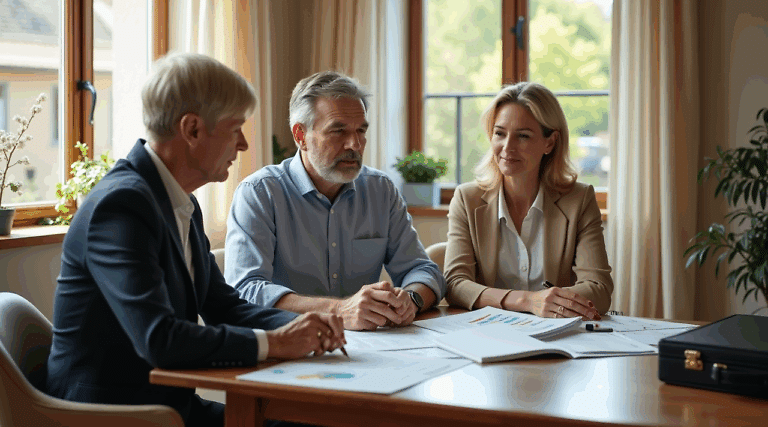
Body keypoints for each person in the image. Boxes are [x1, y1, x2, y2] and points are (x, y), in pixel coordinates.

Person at [46, 53, 345, 427]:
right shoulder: (120, 206)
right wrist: (280, 342)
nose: (243, 145)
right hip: (113, 416)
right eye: (235, 128)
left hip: (167, 408)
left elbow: (225, 307)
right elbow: (160, 339)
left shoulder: (180, 201)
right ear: (192, 130)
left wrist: (318, 324)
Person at [225, 71, 445, 330]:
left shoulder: (380, 190)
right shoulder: (260, 193)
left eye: (361, 130)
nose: (354, 144)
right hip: (285, 345)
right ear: (300, 136)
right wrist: (339, 310)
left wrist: (411, 299)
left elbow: (423, 270)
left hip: (368, 349)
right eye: (338, 131)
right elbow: (246, 290)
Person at [443, 82, 613, 318]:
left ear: (550, 142)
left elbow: (599, 289)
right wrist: (526, 300)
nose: (507, 147)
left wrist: (550, 304)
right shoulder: (466, 199)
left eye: (522, 136)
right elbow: (454, 284)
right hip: (487, 332)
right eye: (500, 133)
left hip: (555, 334)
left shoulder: (579, 200)